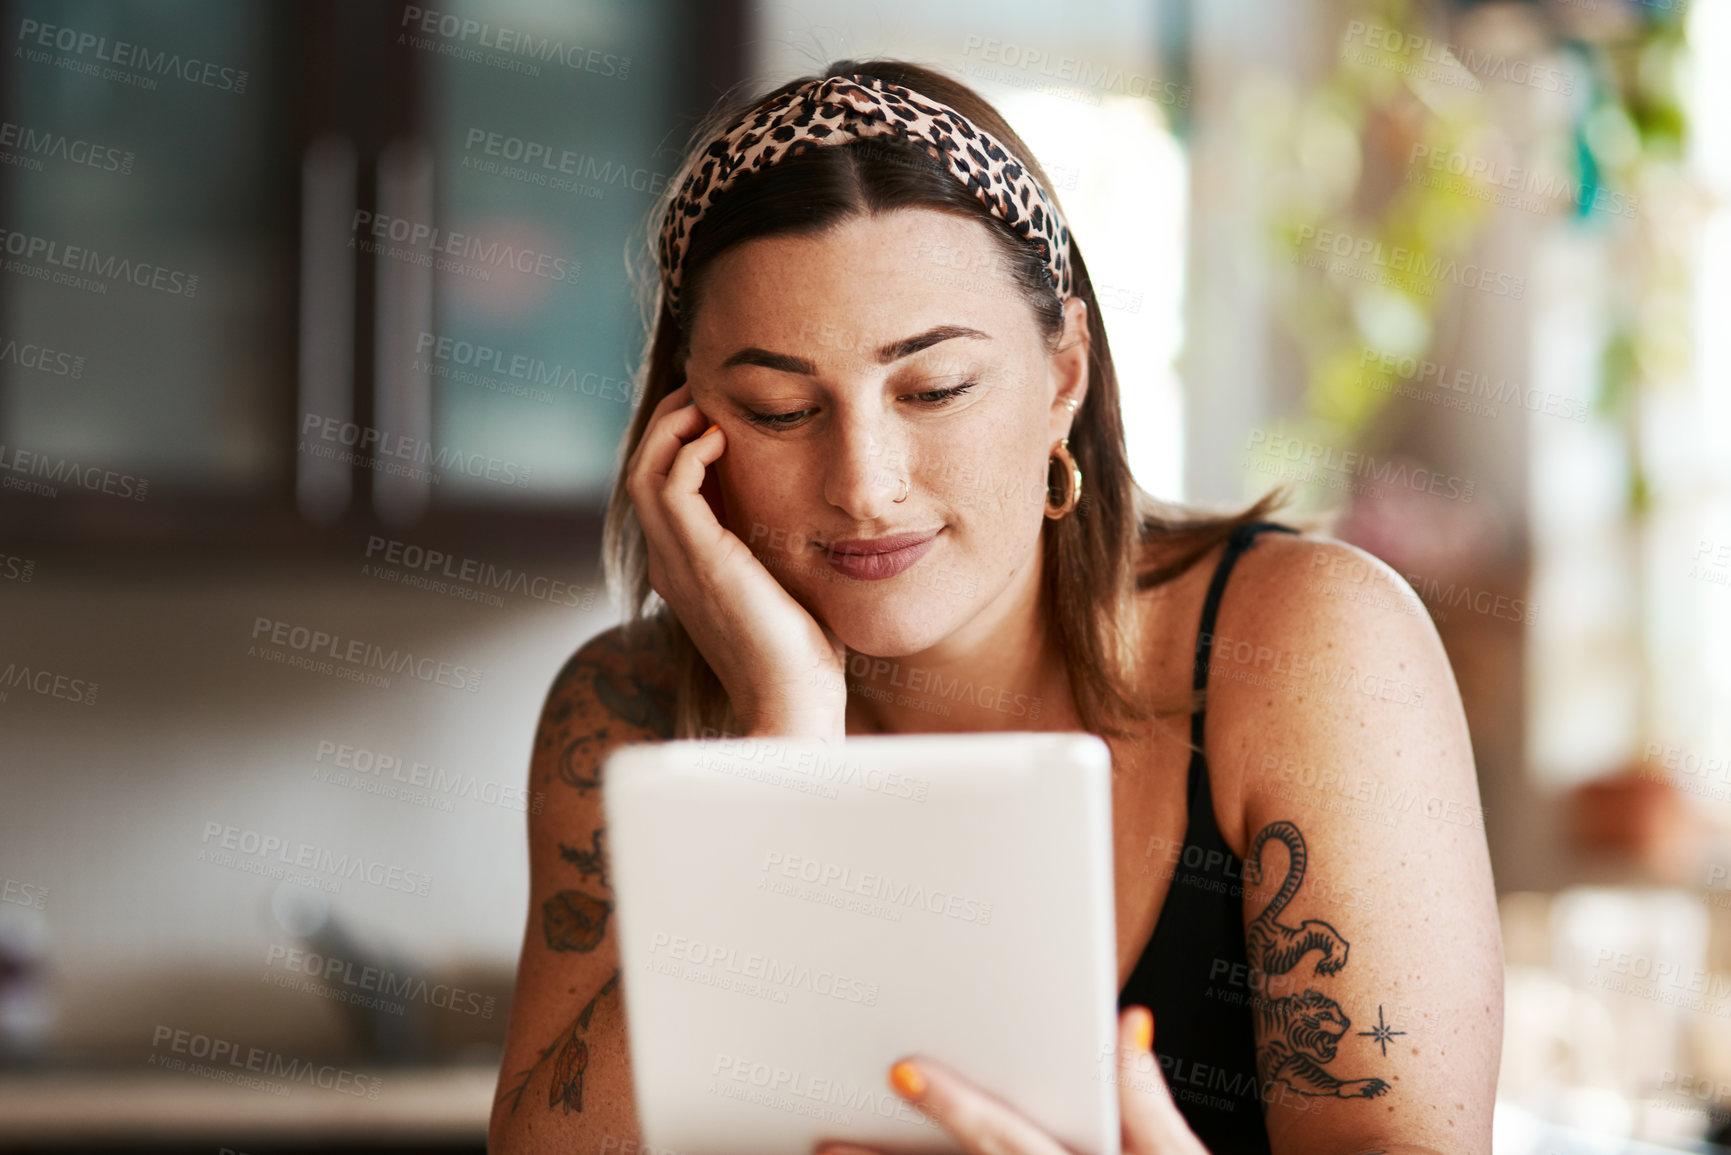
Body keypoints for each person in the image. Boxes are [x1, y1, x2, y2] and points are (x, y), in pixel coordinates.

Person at [488, 59, 1503, 1155]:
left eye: (933, 390)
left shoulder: (1310, 651)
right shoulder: (624, 708)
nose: (865, 484)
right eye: (781, 409)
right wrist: (784, 745)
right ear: (689, 426)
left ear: (1063, 371)